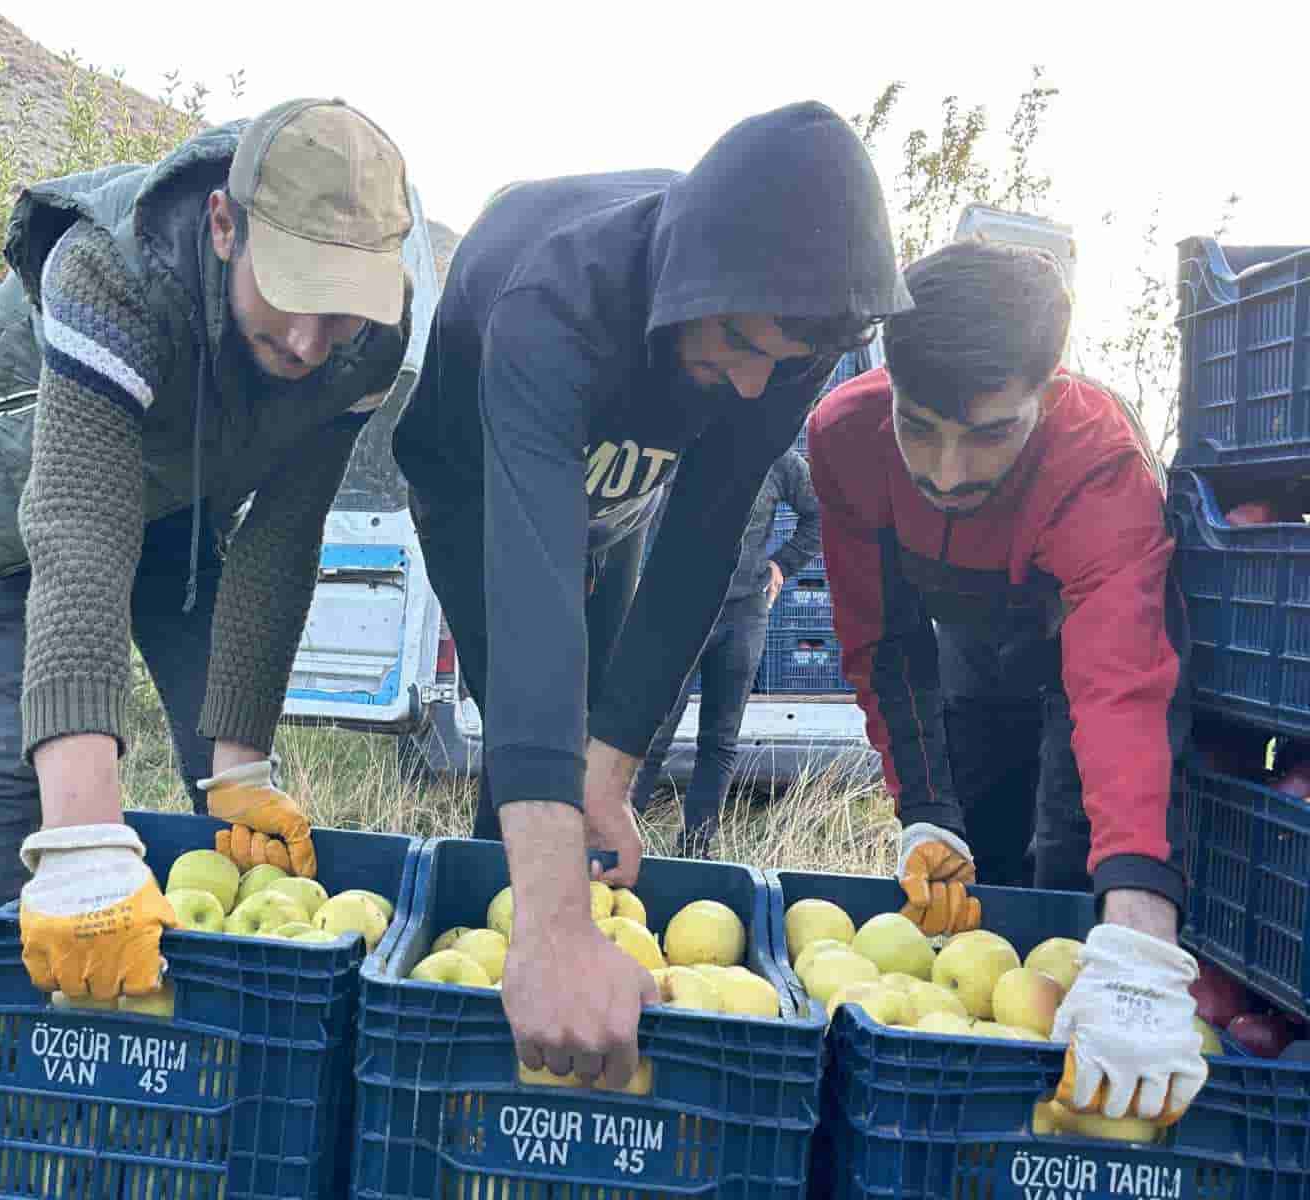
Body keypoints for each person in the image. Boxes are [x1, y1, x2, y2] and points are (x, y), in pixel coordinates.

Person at [391, 100, 908, 1089]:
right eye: (740, 345)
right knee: (524, 721)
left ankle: (552, 918)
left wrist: (612, 770)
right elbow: (533, 592)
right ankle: (514, 963)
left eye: (784, 362)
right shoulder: (554, 299)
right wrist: (550, 924)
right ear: (690, 283)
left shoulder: (777, 332)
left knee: (589, 739)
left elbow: (701, 541)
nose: (757, 389)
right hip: (478, 488)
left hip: (615, 493)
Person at [0, 98, 415, 1002]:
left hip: (173, 496)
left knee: (215, 762)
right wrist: (80, 840)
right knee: (3, 750)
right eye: (294, 293)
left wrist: (240, 765)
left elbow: (281, 538)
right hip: (19, 473)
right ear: (226, 226)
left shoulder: (367, 344)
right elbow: (80, 533)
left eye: (339, 310)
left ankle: (201, 1015)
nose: (310, 343)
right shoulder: (110, 268)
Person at [806, 239, 1205, 1126]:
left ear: (1048, 391)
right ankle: (981, 1113)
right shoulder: (846, 436)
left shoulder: (1098, 463)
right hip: (971, 652)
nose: (946, 474)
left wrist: (1138, 922)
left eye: (989, 433)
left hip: (1080, 655)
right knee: (971, 872)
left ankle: (1069, 1113)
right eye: (920, 426)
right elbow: (883, 641)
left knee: (1071, 872)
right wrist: (923, 808)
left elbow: (1118, 687)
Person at [629, 449, 822, 856]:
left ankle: (695, 851)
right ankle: (619, 841)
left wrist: (782, 564)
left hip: (743, 615)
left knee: (719, 740)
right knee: (650, 732)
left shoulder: (778, 456)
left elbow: (819, 514)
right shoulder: (680, 437)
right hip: (675, 611)